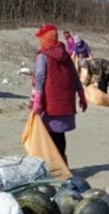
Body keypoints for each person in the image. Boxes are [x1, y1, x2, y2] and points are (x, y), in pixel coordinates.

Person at [31, 23, 87, 166]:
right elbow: (75, 75)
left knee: (48, 134)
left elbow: (40, 76)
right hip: (65, 101)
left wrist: (37, 100)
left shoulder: (43, 56)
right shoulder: (65, 55)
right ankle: (62, 162)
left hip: (49, 102)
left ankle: (54, 165)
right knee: (59, 134)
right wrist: (81, 94)